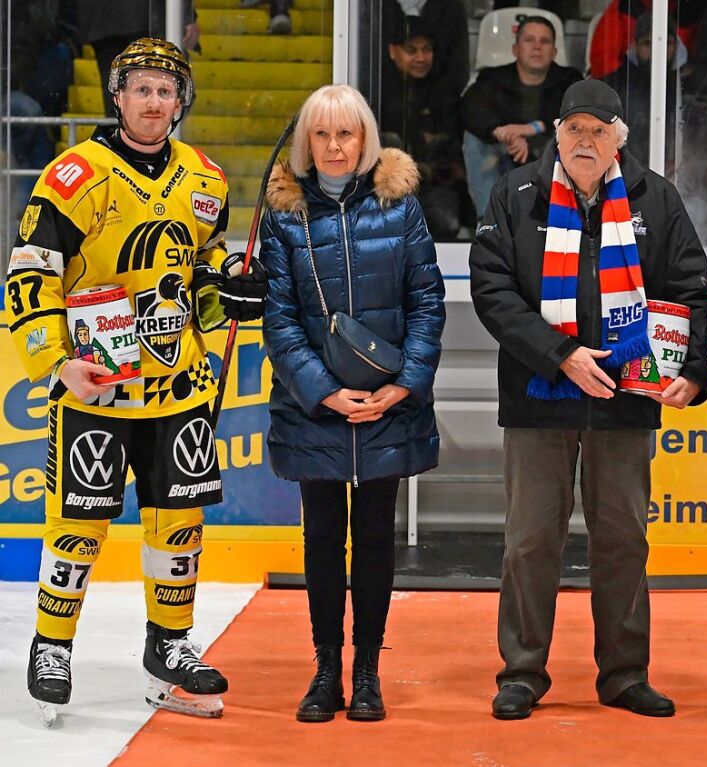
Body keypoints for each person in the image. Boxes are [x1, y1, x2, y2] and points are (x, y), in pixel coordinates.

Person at [6, 38, 267, 725]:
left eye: (167, 90)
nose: (155, 102)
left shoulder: (205, 181)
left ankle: (170, 644)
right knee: (79, 523)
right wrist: (56, 363)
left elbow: (199, 277)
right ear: (117, 96)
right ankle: (53, 644)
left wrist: (231, 291)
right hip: (96, 388)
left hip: (178, 388)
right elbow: (29, 274)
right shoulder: (71, 175)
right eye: (142, 88)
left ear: (182, 102)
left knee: (178, 523)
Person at [470, 79, 707, 720]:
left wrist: (693, 368)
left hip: (625, 402)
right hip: (537, 395)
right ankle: (522, 671)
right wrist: (561, 356)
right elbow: (493, 290)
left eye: (598, 130)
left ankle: (625, 674)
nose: (585, 140)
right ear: (556, 133)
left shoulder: (654, 198)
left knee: (624, 541)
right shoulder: (516, 194)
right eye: (574, 129)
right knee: (529, 542)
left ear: (617, 141)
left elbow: (692, 288)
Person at [260, 84, 445, 723]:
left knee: (373, 539)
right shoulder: (282, 216)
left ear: (365, 139)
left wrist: (403, 385)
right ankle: (326, 668)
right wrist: (326, 391)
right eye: (322, 134)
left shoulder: (402, 208)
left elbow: (426, 303)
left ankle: (368, 670)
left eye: (347, 133)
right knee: (321, 541)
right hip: (315, 407)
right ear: (306, 142)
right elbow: (279, 322)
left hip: (390, 404)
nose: (335, 146)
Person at [461, 15, 582, 218]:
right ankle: (489, 220)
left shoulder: (569, 79)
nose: (537, 47)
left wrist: (533, 128)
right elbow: (469, 109)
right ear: (515, 49)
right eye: (529, 40)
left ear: (554, 51)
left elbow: (578, 111)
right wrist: (500, 132)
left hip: (549, 153)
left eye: (544, 41)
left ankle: (557, 218)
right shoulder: (492, 78)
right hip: (503, 152)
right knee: (474, 140)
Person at [380, 16, 474, 239]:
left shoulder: (445, 90)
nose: (421, 57)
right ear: (393, 51)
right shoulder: (377, 88)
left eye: (426, 50)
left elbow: (450, 148)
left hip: (438, 185)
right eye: (412, 50)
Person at [76, 1, 201, 117]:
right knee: (175, 91)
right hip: (144, 18)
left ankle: (126, 136)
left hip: (102, 22)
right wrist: (187, 17)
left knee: (117, 97)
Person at [603, 12, 687, 167]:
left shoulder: (686, 85)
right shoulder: (613, 84)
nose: (658, 51)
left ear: (676, 45)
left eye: (666, 43)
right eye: (648, 43)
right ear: (635, 45)